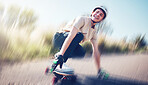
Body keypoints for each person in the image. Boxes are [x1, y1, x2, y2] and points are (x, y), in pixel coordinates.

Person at [51, 6, 109, 79]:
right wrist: (61, 55)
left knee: (81, 53)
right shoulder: (82, 19)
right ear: (92, 13)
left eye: (101, 15)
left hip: (69, 42)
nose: (98, 15)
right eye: (97, 12)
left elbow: (96, 51)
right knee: (79, 35)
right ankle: (60, 61)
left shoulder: (94, 32)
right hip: (60, 38)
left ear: (101, 20)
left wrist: (99, 69)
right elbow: (71, 36)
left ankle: (56, 60)